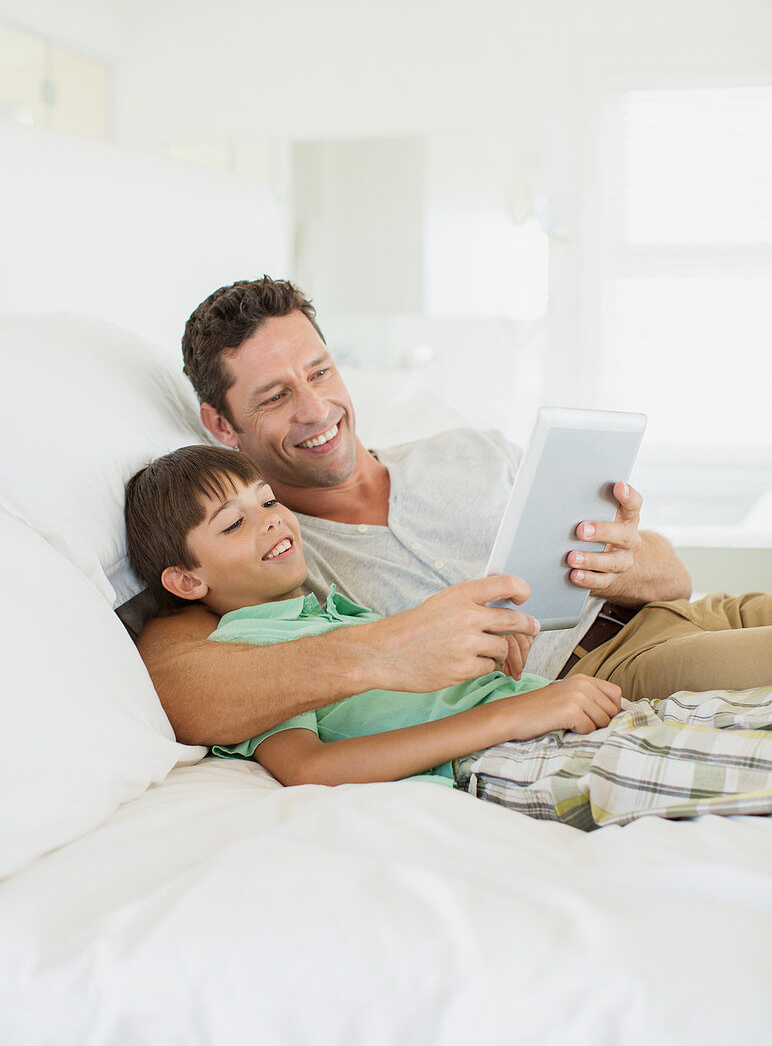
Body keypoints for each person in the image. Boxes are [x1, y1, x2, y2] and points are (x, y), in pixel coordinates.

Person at [136, 276, 772, 747]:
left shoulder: (469, 449)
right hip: (608, 674)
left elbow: (675, 577)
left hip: (691, 612)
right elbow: (178, 687)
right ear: (221, 424)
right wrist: (384, 651)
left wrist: (625, 562)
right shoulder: (265, 557)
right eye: (276, 396)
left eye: (320, 372)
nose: (315, 409)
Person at [125, 445, 623, 787]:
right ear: (187, 581)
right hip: (509, 754)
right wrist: (507, 715)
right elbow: (308, 768)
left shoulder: (327, 611)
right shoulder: (248, 647)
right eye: (234, 523)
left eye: (268, 500)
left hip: (554, 716)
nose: (271, 518)